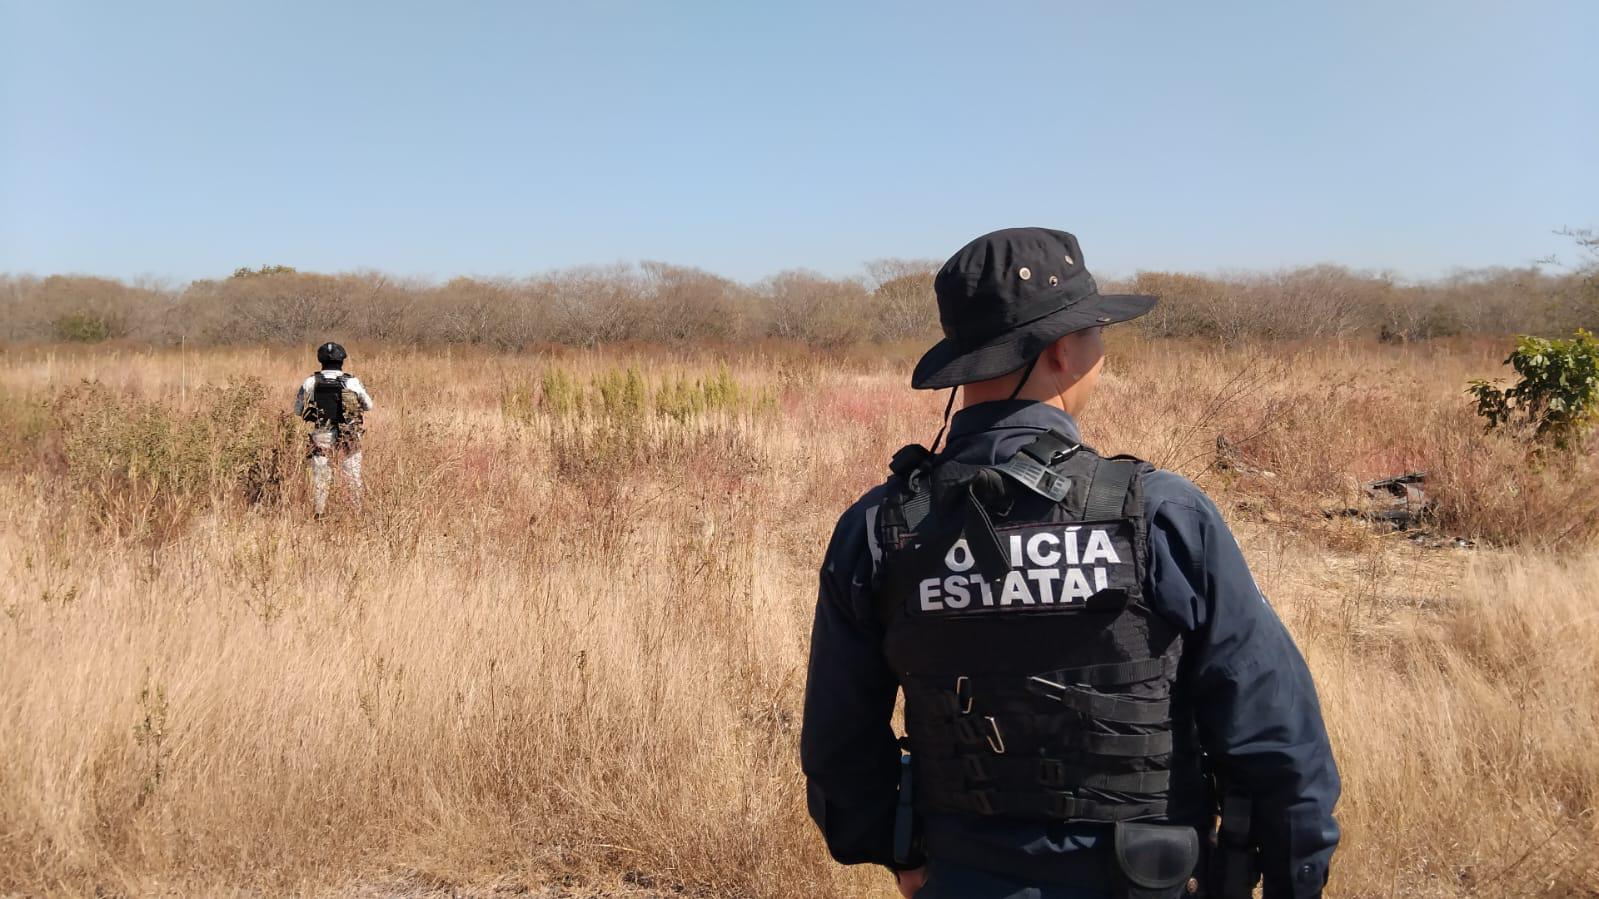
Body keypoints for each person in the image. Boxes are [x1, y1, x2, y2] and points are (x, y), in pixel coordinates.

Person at [800, 228, 1340, 899]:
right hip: (1147, 878)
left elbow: (837, 744)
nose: (1101, 352)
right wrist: (1295, 877)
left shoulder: (879, 528)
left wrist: (893, 852)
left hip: (960, 878)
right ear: (1059, 350)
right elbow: (1275, 732)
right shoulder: (1162, 513)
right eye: (1094, 334)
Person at [293, 341, 373, 517]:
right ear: (342, 360)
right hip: (349, 435)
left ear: (320, 360)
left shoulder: (310, 382)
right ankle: (355, 516)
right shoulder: (352, 382)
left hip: (322, 435)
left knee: (320, 480)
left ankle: (319, 515)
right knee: (352, 478)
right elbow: (368, 406)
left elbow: (298, 410)